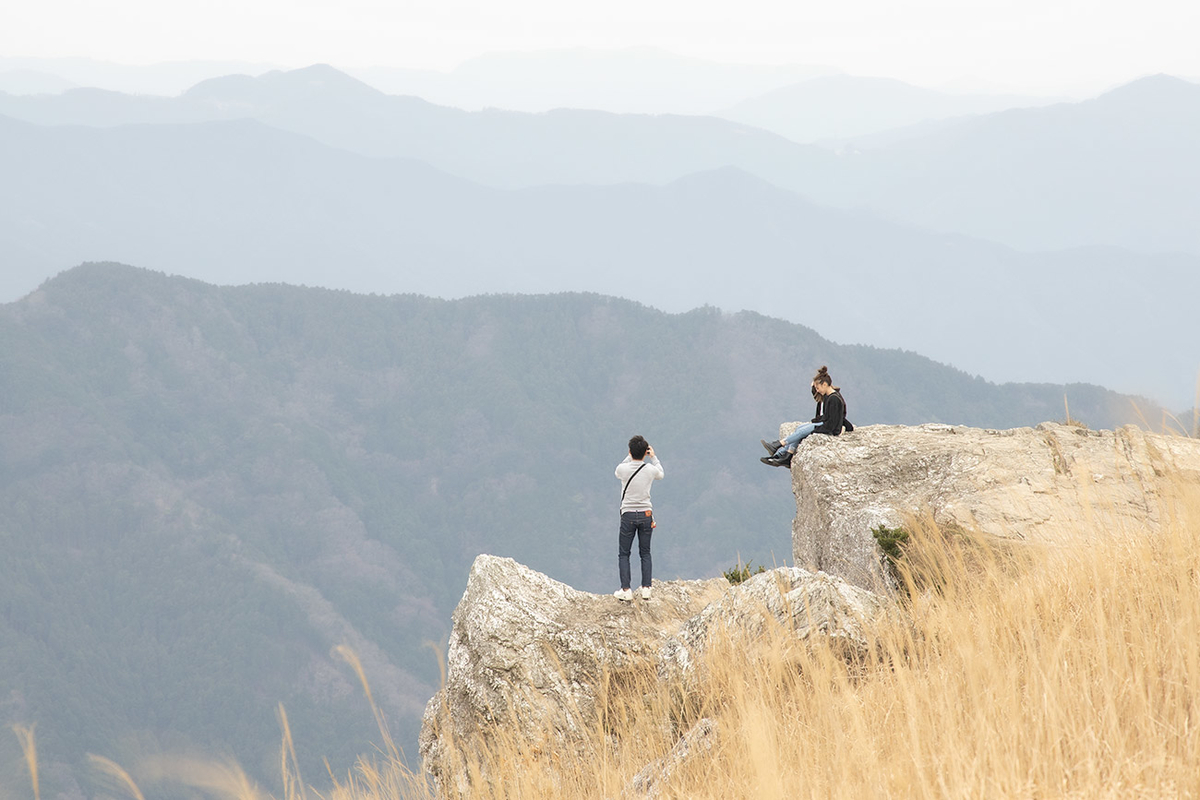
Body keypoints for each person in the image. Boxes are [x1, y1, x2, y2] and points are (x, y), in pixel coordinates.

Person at [759, 366, 851, 467]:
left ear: (824, 384)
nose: (817, 390)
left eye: (818, 388)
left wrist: (816, 428)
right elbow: (819, 400)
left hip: (830, 429)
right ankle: (783, 455)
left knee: (802, 431)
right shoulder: (829, 396)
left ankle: (779, 445)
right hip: (824, 424)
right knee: (800, 428)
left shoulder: (834, 399)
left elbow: (832, 423)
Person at [614, 435, 663, 601]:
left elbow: (618, 468)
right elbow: (661, 474)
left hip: (628, 514)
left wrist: (630, 456)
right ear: (645, 453)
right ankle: (646, 588)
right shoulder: (650, 470)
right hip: (646, 514)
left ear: (629, 451)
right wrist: (653, 457)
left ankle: (626, 590)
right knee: (645, 552)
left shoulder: (623, 469)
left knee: (624, 554)